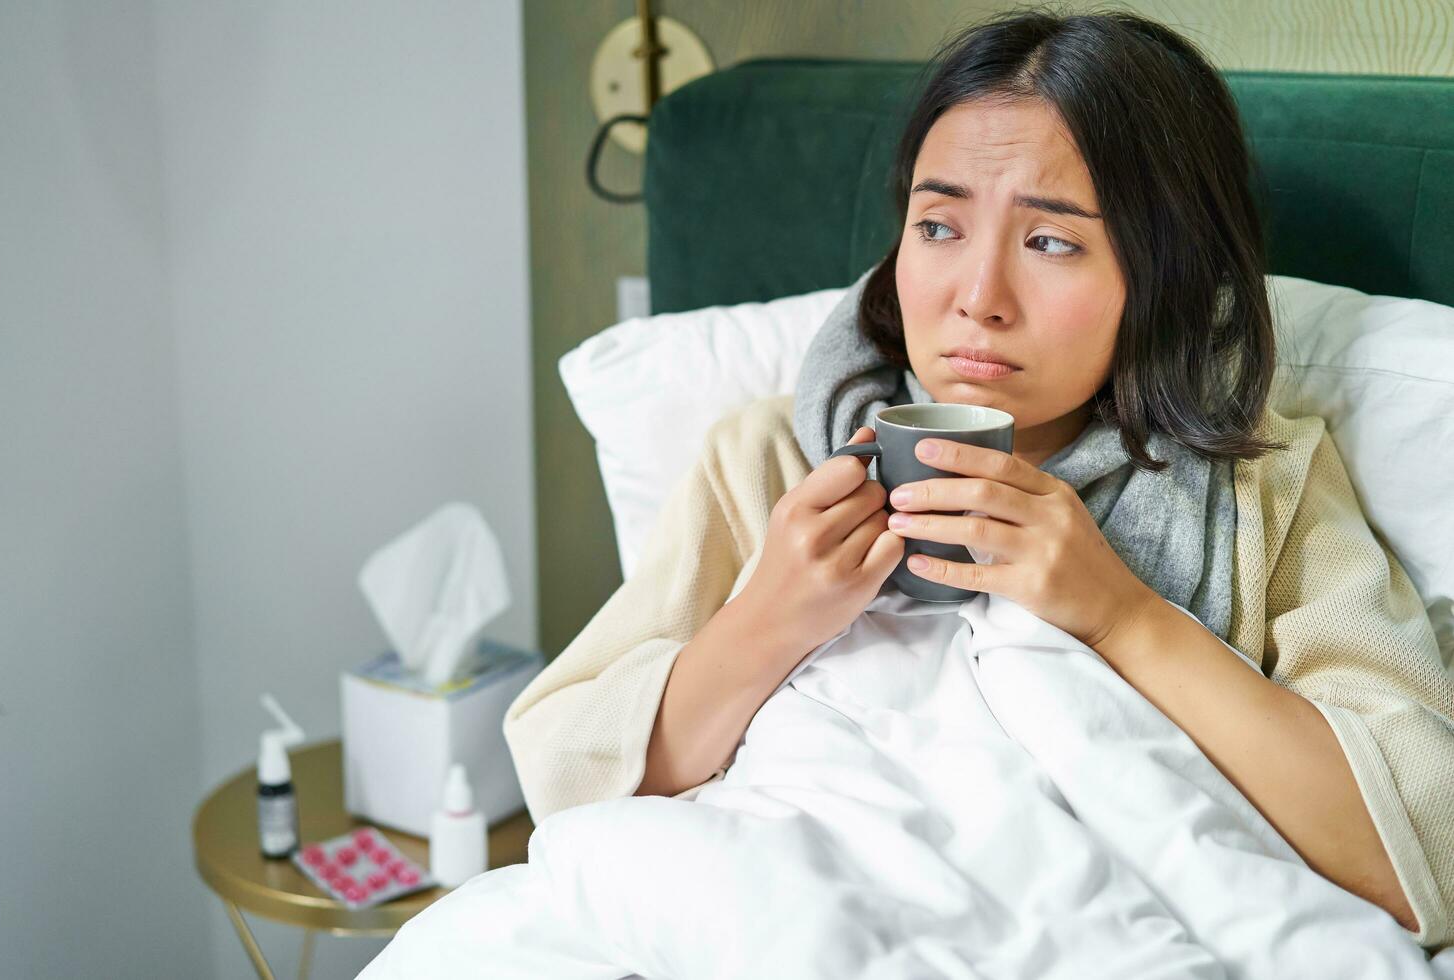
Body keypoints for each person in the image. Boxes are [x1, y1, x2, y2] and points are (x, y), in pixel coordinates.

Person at [503, 8, 1453, 951]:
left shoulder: (1261, 486)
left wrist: (1121, 615)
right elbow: (569, 781)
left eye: (1051, 242)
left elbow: (1421, 851)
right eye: (940, 225)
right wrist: (770, 618)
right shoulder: (774, 461)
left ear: (1163, 272)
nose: (978, 299)